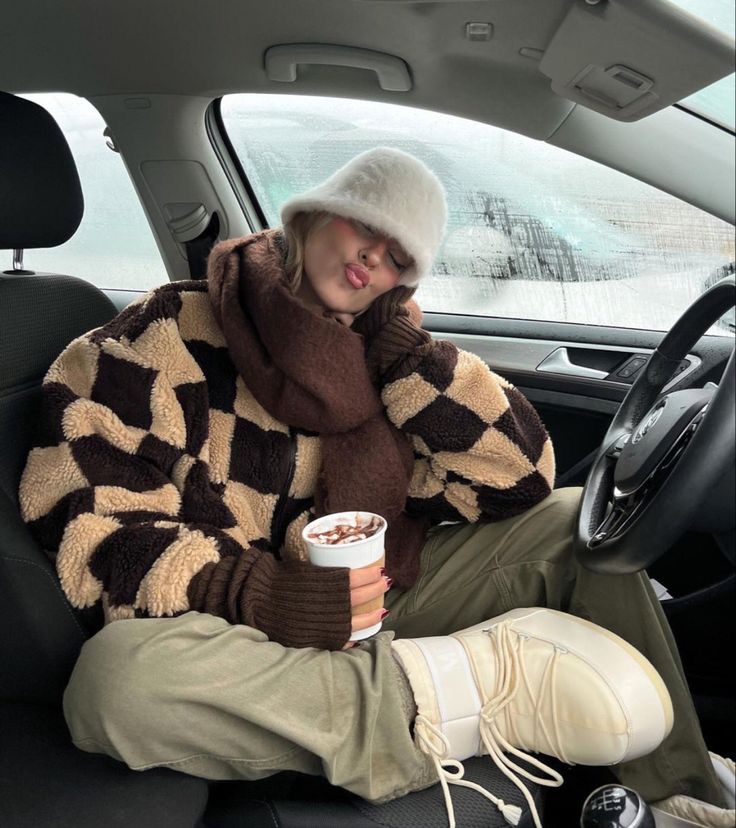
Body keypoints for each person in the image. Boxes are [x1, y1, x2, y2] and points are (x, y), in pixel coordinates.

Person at [19, 148, 731, 828]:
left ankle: (677, 792)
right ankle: (473, 690)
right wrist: (263, 595)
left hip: (374, 596)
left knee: (573, 523)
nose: (372, 257)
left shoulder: (382, 352)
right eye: (364, 225)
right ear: (308, 218)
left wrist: (410, 356)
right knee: (117, 684)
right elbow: (95, 528)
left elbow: (517, 478)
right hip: (231, 630)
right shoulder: (156, 337)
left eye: (397, 258)